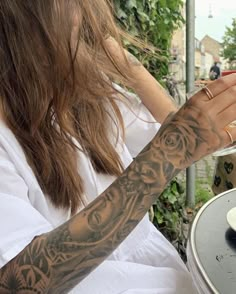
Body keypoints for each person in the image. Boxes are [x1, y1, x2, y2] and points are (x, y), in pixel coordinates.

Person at [0, 1, 236, 293]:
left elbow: (168, 124)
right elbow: (18, 282)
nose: (83, 14)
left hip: (164, 276)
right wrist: (169, 151)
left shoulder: (85, 93)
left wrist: (119, 57)